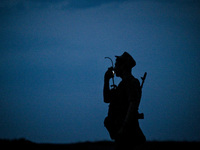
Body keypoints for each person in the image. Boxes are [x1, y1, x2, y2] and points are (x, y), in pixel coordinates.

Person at [103, 52, 146, 150]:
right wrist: (106, 80)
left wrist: (124, 127)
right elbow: (106, 99)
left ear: (123, 66)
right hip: (121, 134)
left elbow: (133, 104)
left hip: (128, 134)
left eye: (117, 65)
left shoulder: (131, 82)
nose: (114, 68)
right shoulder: (121, 85)